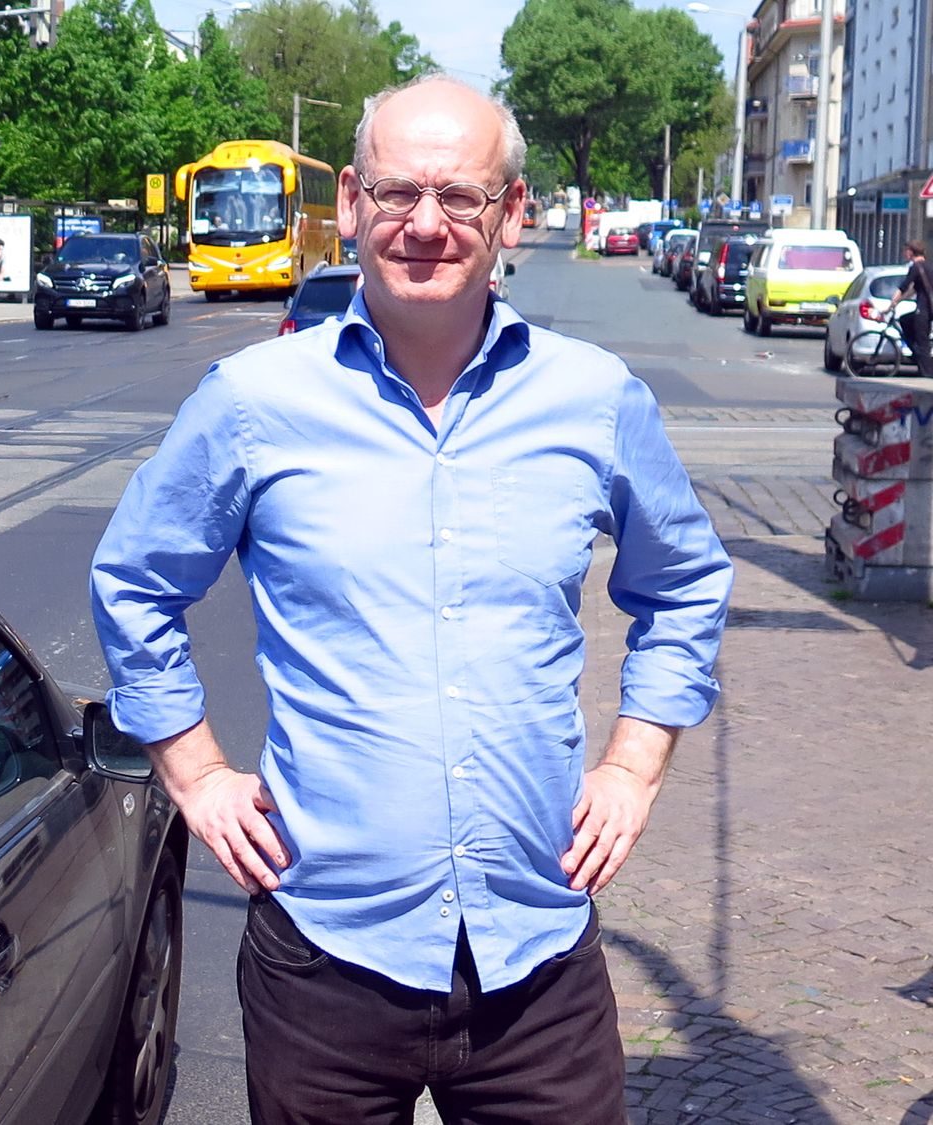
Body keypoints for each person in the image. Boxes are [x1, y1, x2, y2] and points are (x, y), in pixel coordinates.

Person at [90, 74, 732, 1124]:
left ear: (510, 214)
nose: (424, 225)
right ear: (351, 203)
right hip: (323, 962)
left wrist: (633, 764)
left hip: (538, 963)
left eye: (460, 196)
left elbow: (685, 582)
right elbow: (133, 582)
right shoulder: (253, 403)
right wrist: (194, 771)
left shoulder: (594, 398)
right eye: (397, 192)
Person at [885, 240, 933, 379]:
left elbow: (903, 287)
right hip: (928, 308)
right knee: (905, 320)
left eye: (906, 250)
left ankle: (928, 374)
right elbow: (913, 290)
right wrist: (899, 301)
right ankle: (917, 354)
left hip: (923, 309)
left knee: (922, 342)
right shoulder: (929, 266)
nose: (904, 253)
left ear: (911, 252)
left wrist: (890, 305)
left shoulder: (916, 267)